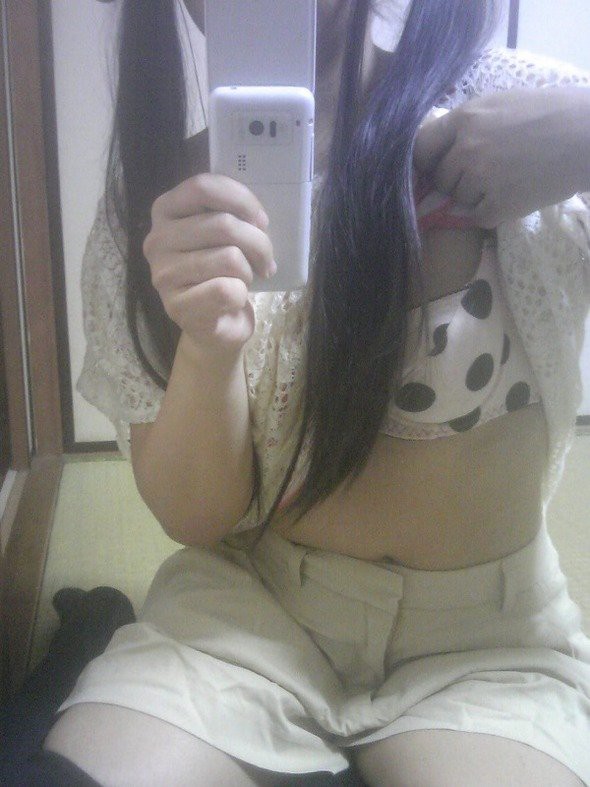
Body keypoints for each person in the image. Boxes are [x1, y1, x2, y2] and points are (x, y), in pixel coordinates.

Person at [18, 0, 590, 784]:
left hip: (487, 649)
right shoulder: (165, 200)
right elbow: (195, 516)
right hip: (248, 614)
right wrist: (208, 345)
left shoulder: (516, 117)